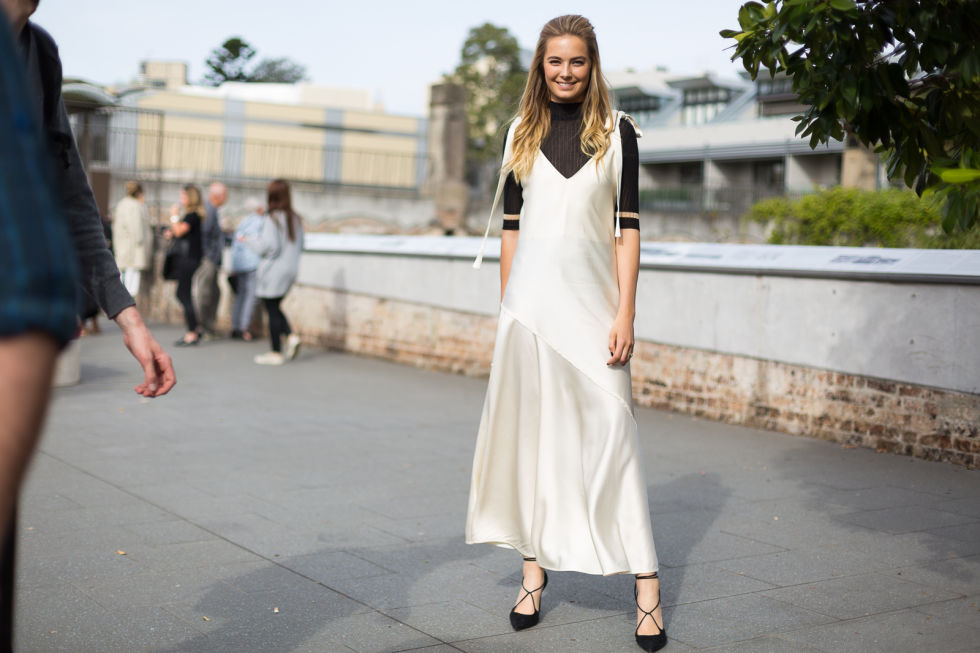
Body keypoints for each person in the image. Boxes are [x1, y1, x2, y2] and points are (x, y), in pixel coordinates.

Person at [465, 15, 665, 652]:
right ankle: (531, 574)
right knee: (533, 444)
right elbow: (512, 232)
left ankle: (648, 589)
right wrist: (507, 309)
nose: (566, 72)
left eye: (577, 61)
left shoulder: (619, 133)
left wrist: (626, 313)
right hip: (527, 311)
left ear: (592, 64)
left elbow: (626, 229)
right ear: (541, 65)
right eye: (555, 61)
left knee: (615, 438)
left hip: (594, 312)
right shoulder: (520, 133)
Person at [246, 179, 303, 366]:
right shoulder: (295, 218)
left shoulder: (273, 218)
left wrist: (249, 240)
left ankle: (276, 350)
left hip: (274, 271)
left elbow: (269, 247)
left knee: (271, 307)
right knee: (275, 306)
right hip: (290, 269)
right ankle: (289, 336)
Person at [166, 185, 204, 346]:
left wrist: (174, 217)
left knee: (183, 294)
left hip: (188, 259)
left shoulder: (192, 215)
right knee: (183, 293)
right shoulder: (191, 215)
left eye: (183, 196)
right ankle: (195, 328)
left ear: (190, 197)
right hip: (189, 258)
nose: (181, 199)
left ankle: (192, 332)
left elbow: (180, 231)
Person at [228, 198, 265, 341]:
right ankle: (244, 328)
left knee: (240, 295)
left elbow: (235, 244)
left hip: (240, 263)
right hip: (252, 263)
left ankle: (235, 326)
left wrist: (234, 265)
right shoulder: (260, 223)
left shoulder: (244, 222)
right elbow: (261, 244)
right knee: (250, 296)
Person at [195, 181, 227, 338]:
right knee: (205, 292)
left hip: (212, 258)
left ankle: (207, 326)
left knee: (214, 292)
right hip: (209, 259)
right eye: (225, 195)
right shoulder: (210, 210)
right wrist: (209, 255)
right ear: (218, 196)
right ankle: (201, 326)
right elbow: (205, 234)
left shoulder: (211, 209)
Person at [112, 181, 152, 297]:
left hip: (122, 246)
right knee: (132, 278)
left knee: (122, 275)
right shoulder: (135, 206)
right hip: (133, 249)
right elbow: (137, 229)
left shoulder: (121, 204)